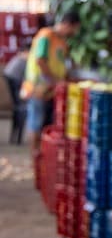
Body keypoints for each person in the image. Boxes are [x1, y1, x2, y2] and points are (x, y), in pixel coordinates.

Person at [20, 11, 80, 155]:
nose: (74, 32)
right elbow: (40, 60)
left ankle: (44, 152)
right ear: (67, 24)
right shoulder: (46, 36)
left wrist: (67, 77)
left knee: (47, 122)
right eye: (75, 28)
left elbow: (63, 63)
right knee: (37, 120)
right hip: (38, 88)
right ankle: (35, 153)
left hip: (52, 89)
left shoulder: (62, 41)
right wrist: (55, 80)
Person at [4, 38, 31, 144]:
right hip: (13, 78)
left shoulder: (22, 55)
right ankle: (17, 138)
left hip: (11, 77)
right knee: (20, 107)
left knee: (19, 107)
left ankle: (16, 137)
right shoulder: (25, 56)